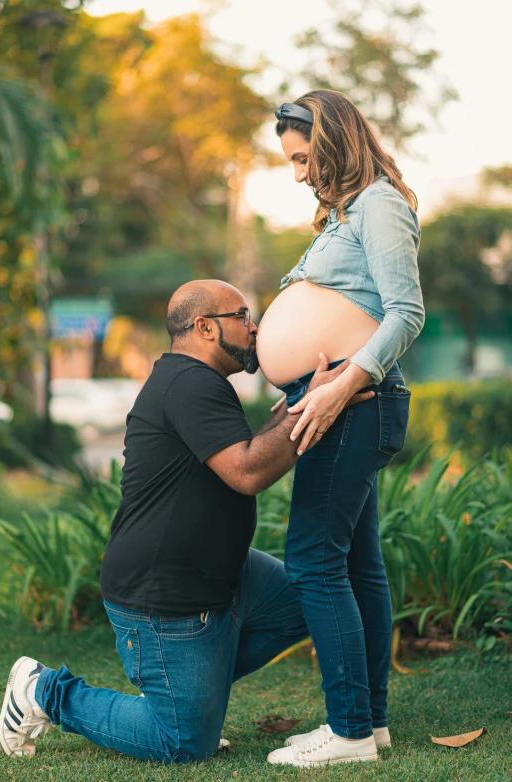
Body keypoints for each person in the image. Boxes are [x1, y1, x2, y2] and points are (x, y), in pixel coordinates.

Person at [0, 279, 374, 764]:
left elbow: (233, 456)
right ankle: (43, 691)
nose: (254, 327)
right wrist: (315, 407)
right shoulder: (188, 382)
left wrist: (294, 411)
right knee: (181, 742)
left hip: (223, 574)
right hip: (165, 595)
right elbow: (247, 471)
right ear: (204, 328)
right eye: (241, 316)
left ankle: (191, 696)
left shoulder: (197, 382)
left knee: (309, 601)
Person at [256, 90, 425, 767]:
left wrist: (340, 386)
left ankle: (350, 730)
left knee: (313, 560)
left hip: (354, 405)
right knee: (358, 563)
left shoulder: (380, 203)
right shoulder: (347, 214)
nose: (298, 173)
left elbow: (405, 313)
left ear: (332, 141)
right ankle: (371, 725)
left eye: (302, 158)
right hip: (344, 401)